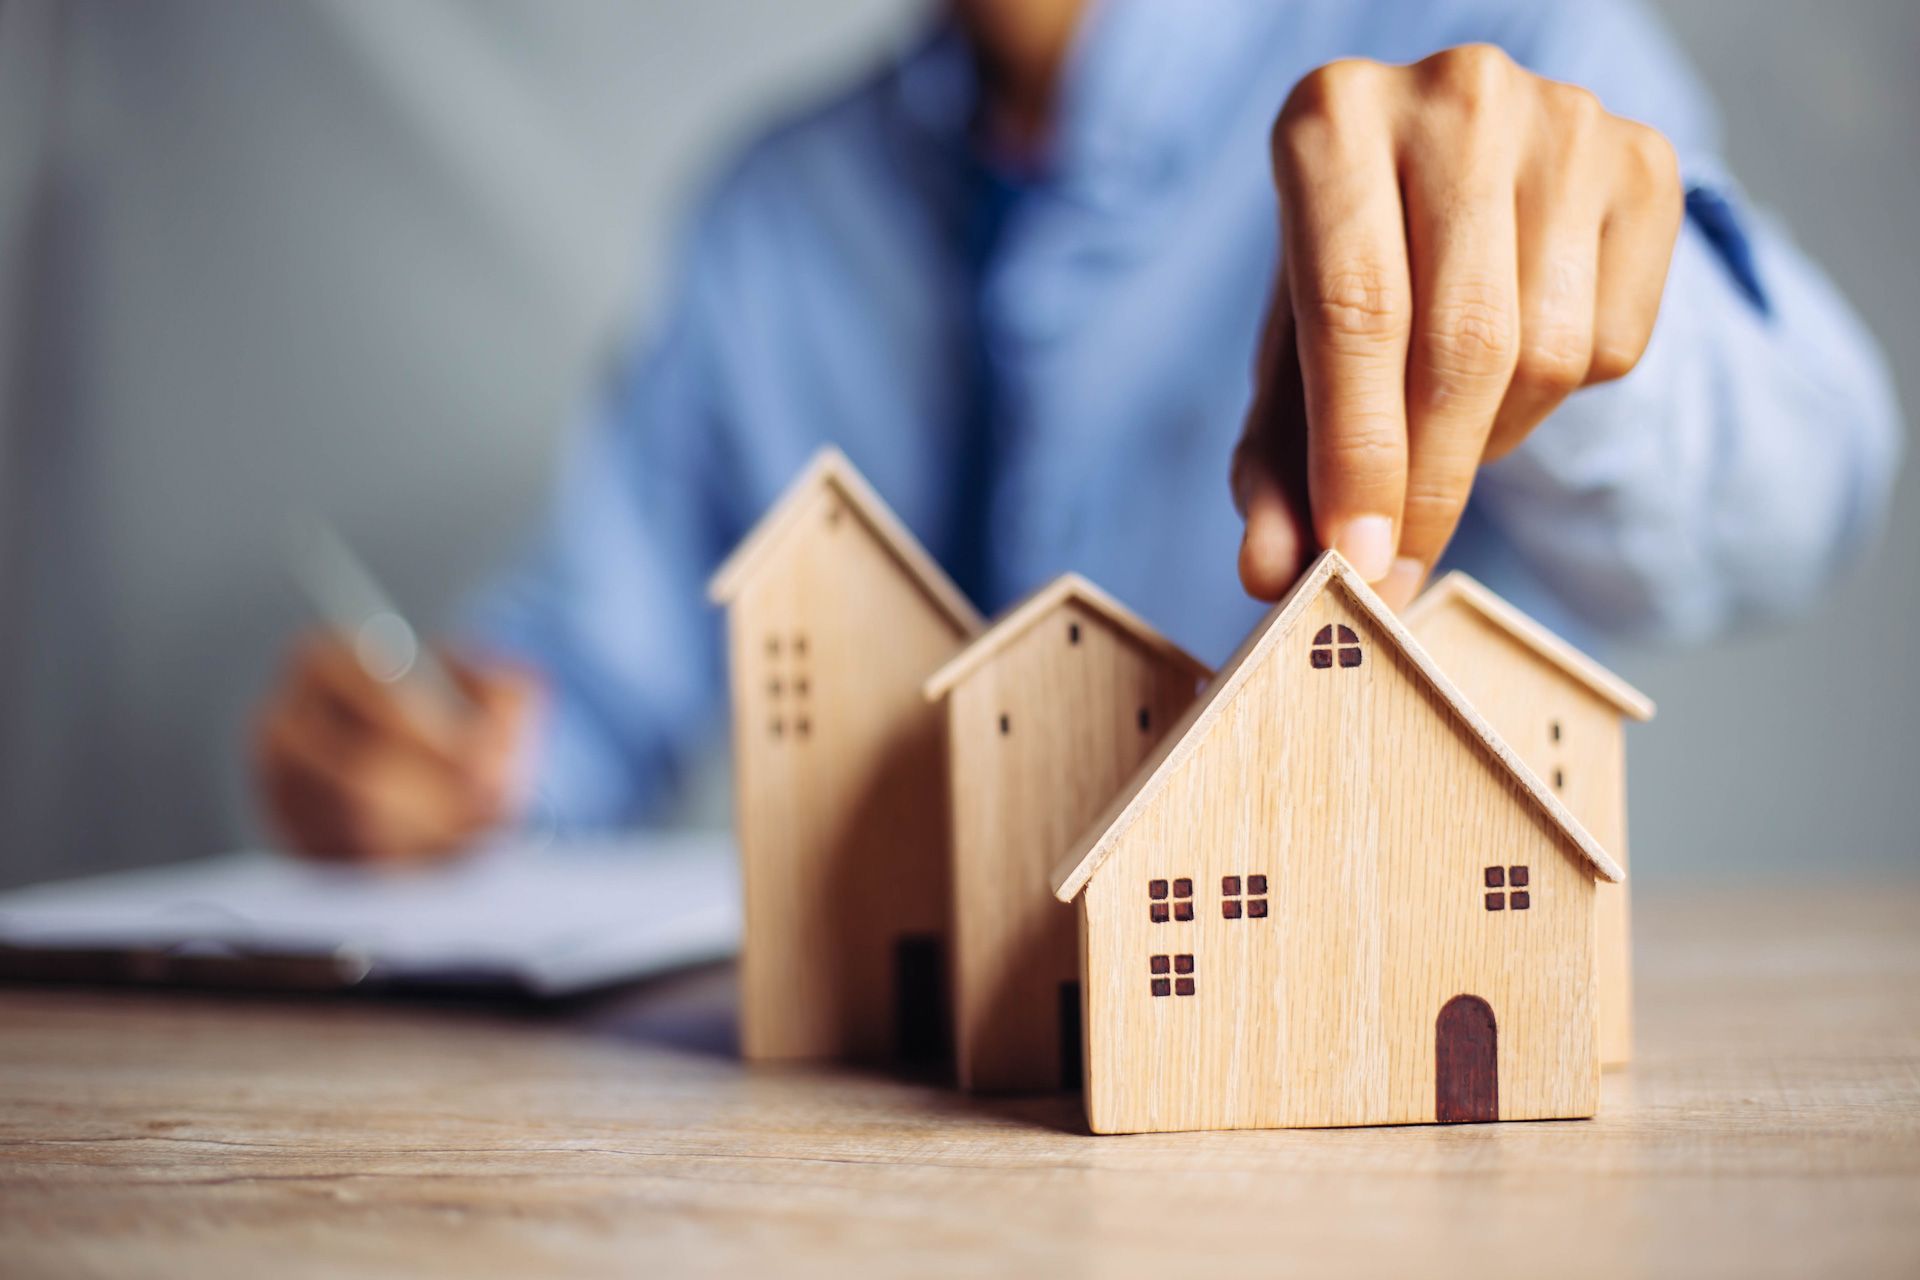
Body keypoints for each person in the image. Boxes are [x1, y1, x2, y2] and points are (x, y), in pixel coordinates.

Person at [254, 0, 1901, 862]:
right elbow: (589, 690)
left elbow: (1809, 486)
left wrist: (1592, 336)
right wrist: (448, 758)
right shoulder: (771, 216)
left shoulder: (1494, 62)